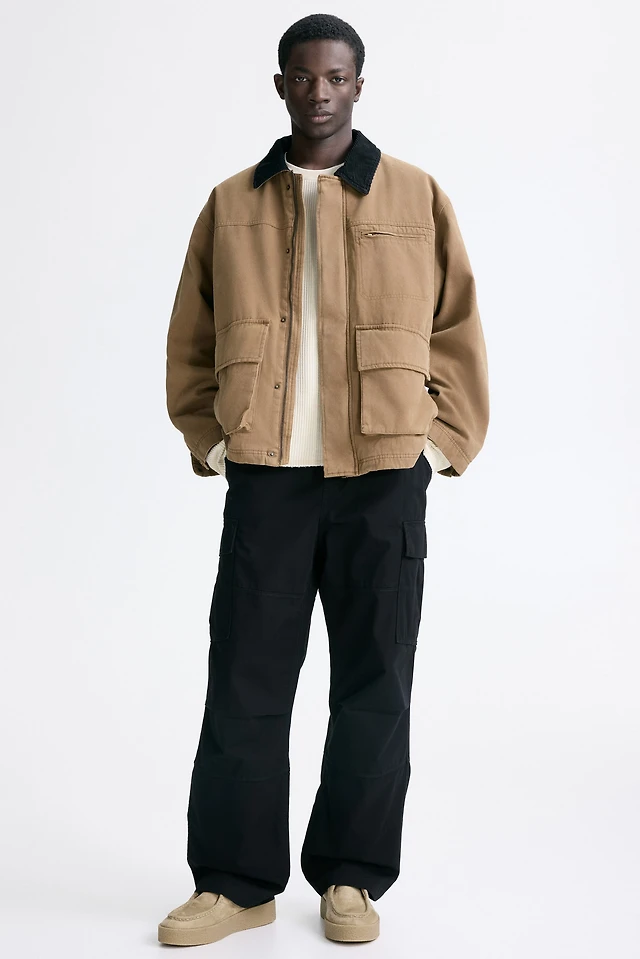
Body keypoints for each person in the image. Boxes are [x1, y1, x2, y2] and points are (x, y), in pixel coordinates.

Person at [158, 12, 489, 948]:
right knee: (245, 680)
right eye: (303, 77)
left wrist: (434, 449)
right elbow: (190, 339)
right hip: (268, 477)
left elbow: (457, 329)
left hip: (382, 475)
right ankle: (236, 885)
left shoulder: (415, 194)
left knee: (375, 683)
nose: (319, 93)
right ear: (281, 85)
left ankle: (351, 876)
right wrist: (215, 444)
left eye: (336, 77)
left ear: (358, 85)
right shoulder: (230, 203)